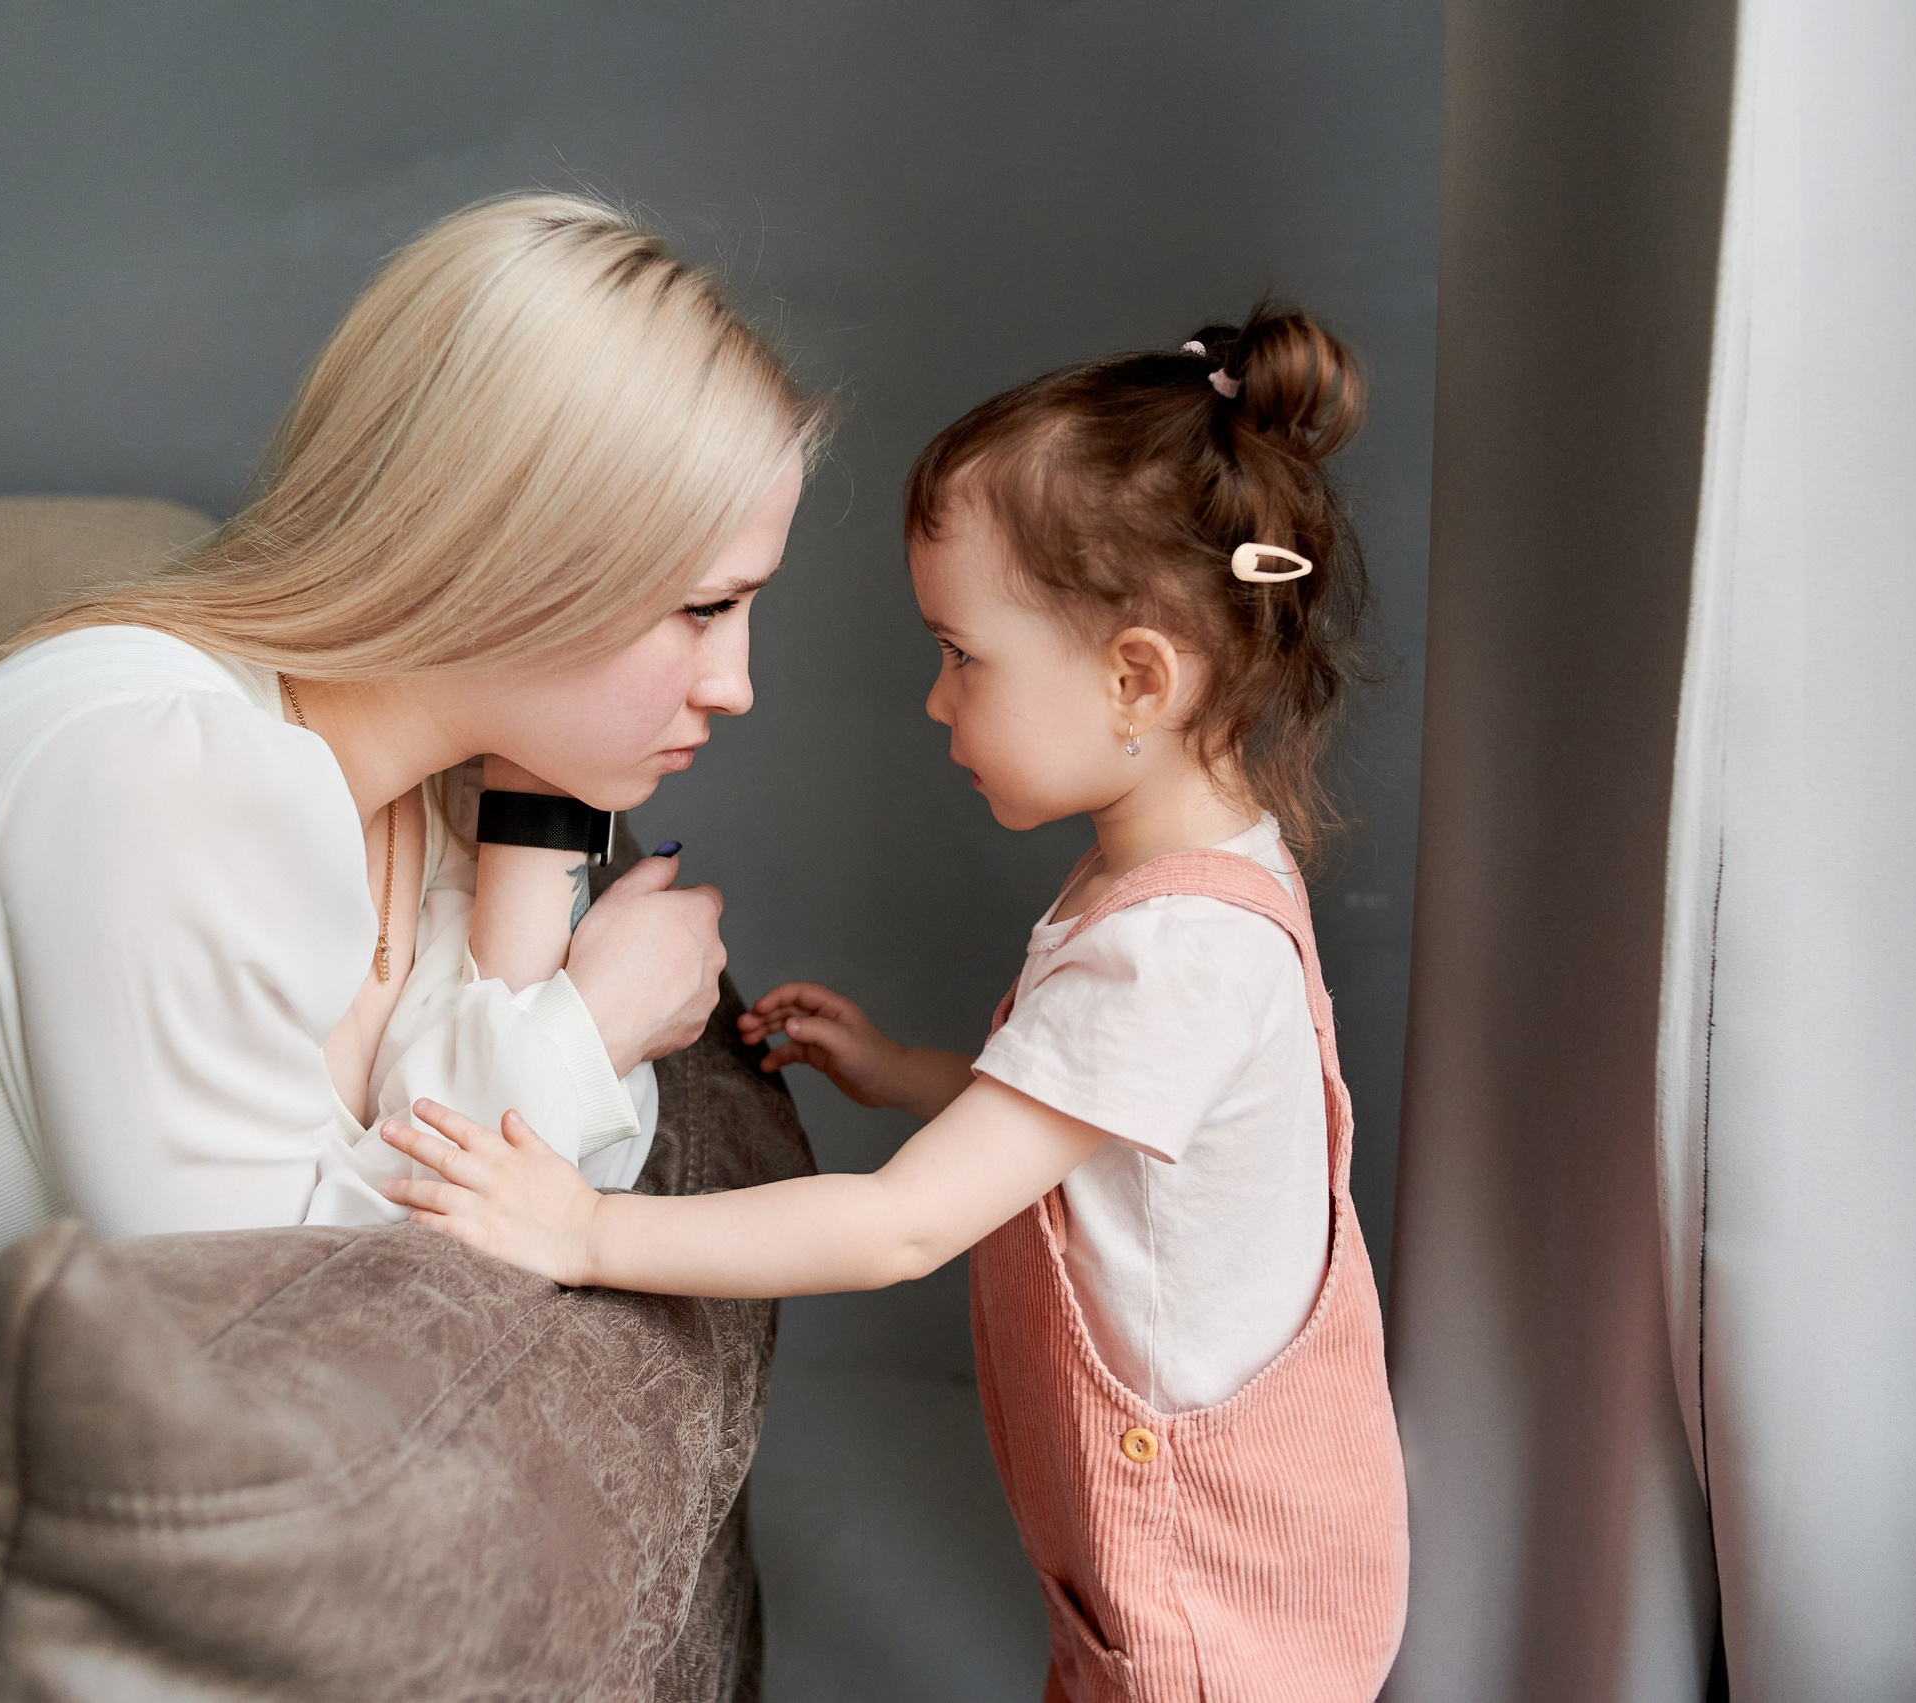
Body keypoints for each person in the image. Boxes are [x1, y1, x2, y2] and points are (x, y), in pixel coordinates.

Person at [0, 192, 823, 1598]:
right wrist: (585, 1027)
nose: (738, 683)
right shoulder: (177, 789)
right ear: (510, 558)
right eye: (707, 608)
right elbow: (258, 1349)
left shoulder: (404, 765)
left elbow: (445, 1145)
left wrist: (539, 860)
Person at [376, 301, 1409, 1700]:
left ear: (1135, 679)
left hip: (1208, 1602)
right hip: (1194, 1571)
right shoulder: (1190, 878)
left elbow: (903, 1226)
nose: (933, 704)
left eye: (962, 658)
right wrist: (912, 1068)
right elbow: (1103, 1128)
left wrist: (586, 1227)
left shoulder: (1172, 951)